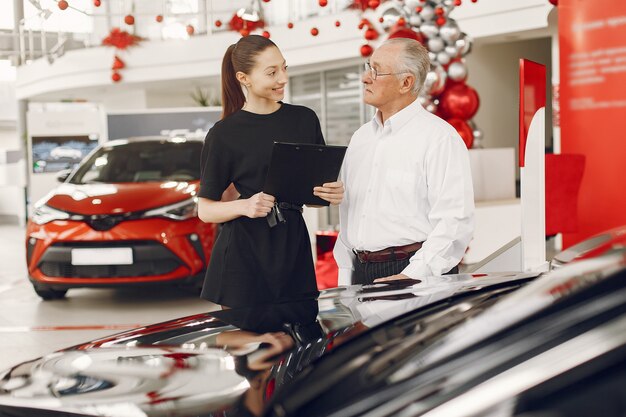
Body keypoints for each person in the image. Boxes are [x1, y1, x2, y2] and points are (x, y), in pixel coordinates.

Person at [198, 35, 344, 308]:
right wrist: (245, 206)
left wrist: (331, 192)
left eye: (284, 68)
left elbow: (313, 193)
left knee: (300, 340)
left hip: (293, 245)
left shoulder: (304, 118)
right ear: (244, 78)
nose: (283, 78)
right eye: (272, 72)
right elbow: (205, 211)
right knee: (244, 344)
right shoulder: (224, 134)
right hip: (243, 252)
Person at [333, 38, 474, 286]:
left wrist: (413, 275)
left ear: (406, 82)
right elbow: (350, 215)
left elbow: (454, 222)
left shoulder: (440, 138)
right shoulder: (360, 138)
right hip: (359, 272)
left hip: (413, 271)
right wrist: (346, 274)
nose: (365, 77)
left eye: (375, 70)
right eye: (367, 67)